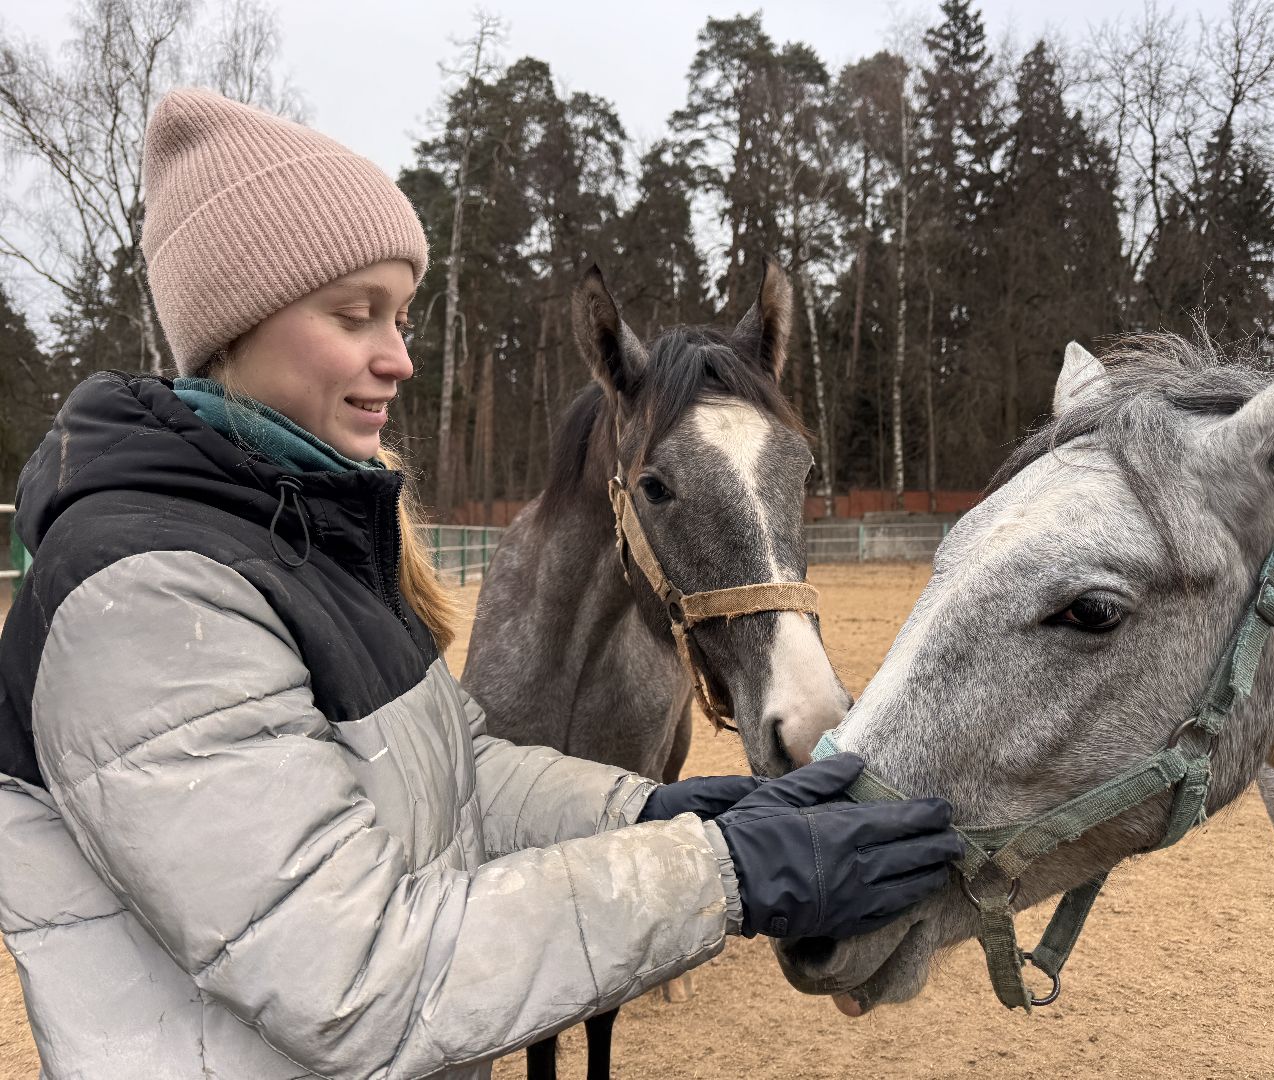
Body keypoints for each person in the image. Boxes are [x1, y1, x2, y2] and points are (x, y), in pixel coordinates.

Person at [0, 89, 961, 1080]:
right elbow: (361, 979)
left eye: (404, 317)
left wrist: (662, 814)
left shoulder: (307, 546)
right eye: (354, 315)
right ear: (234, 326)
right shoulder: (147, 600)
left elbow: (453, 780)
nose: (399, 359)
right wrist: (725, 873)